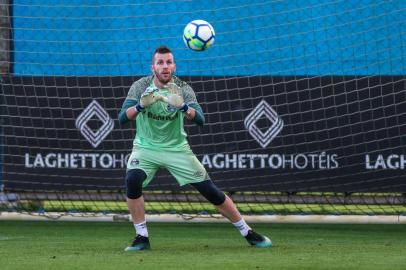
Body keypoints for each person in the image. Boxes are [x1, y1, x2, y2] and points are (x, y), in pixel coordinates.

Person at [118, 45, 272, 251]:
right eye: (160, 63)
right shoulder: (140, 86)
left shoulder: (183, 88)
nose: (165, 67)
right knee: (132, 179)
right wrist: (140, 106)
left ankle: (248, 232)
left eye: (169, 62)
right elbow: (121, 118)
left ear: (174, 66)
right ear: (152, 67)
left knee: (211, 191)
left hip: (177, 149)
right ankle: (141, 237)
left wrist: (183, 107)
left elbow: (201, 120)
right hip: (146, 148)